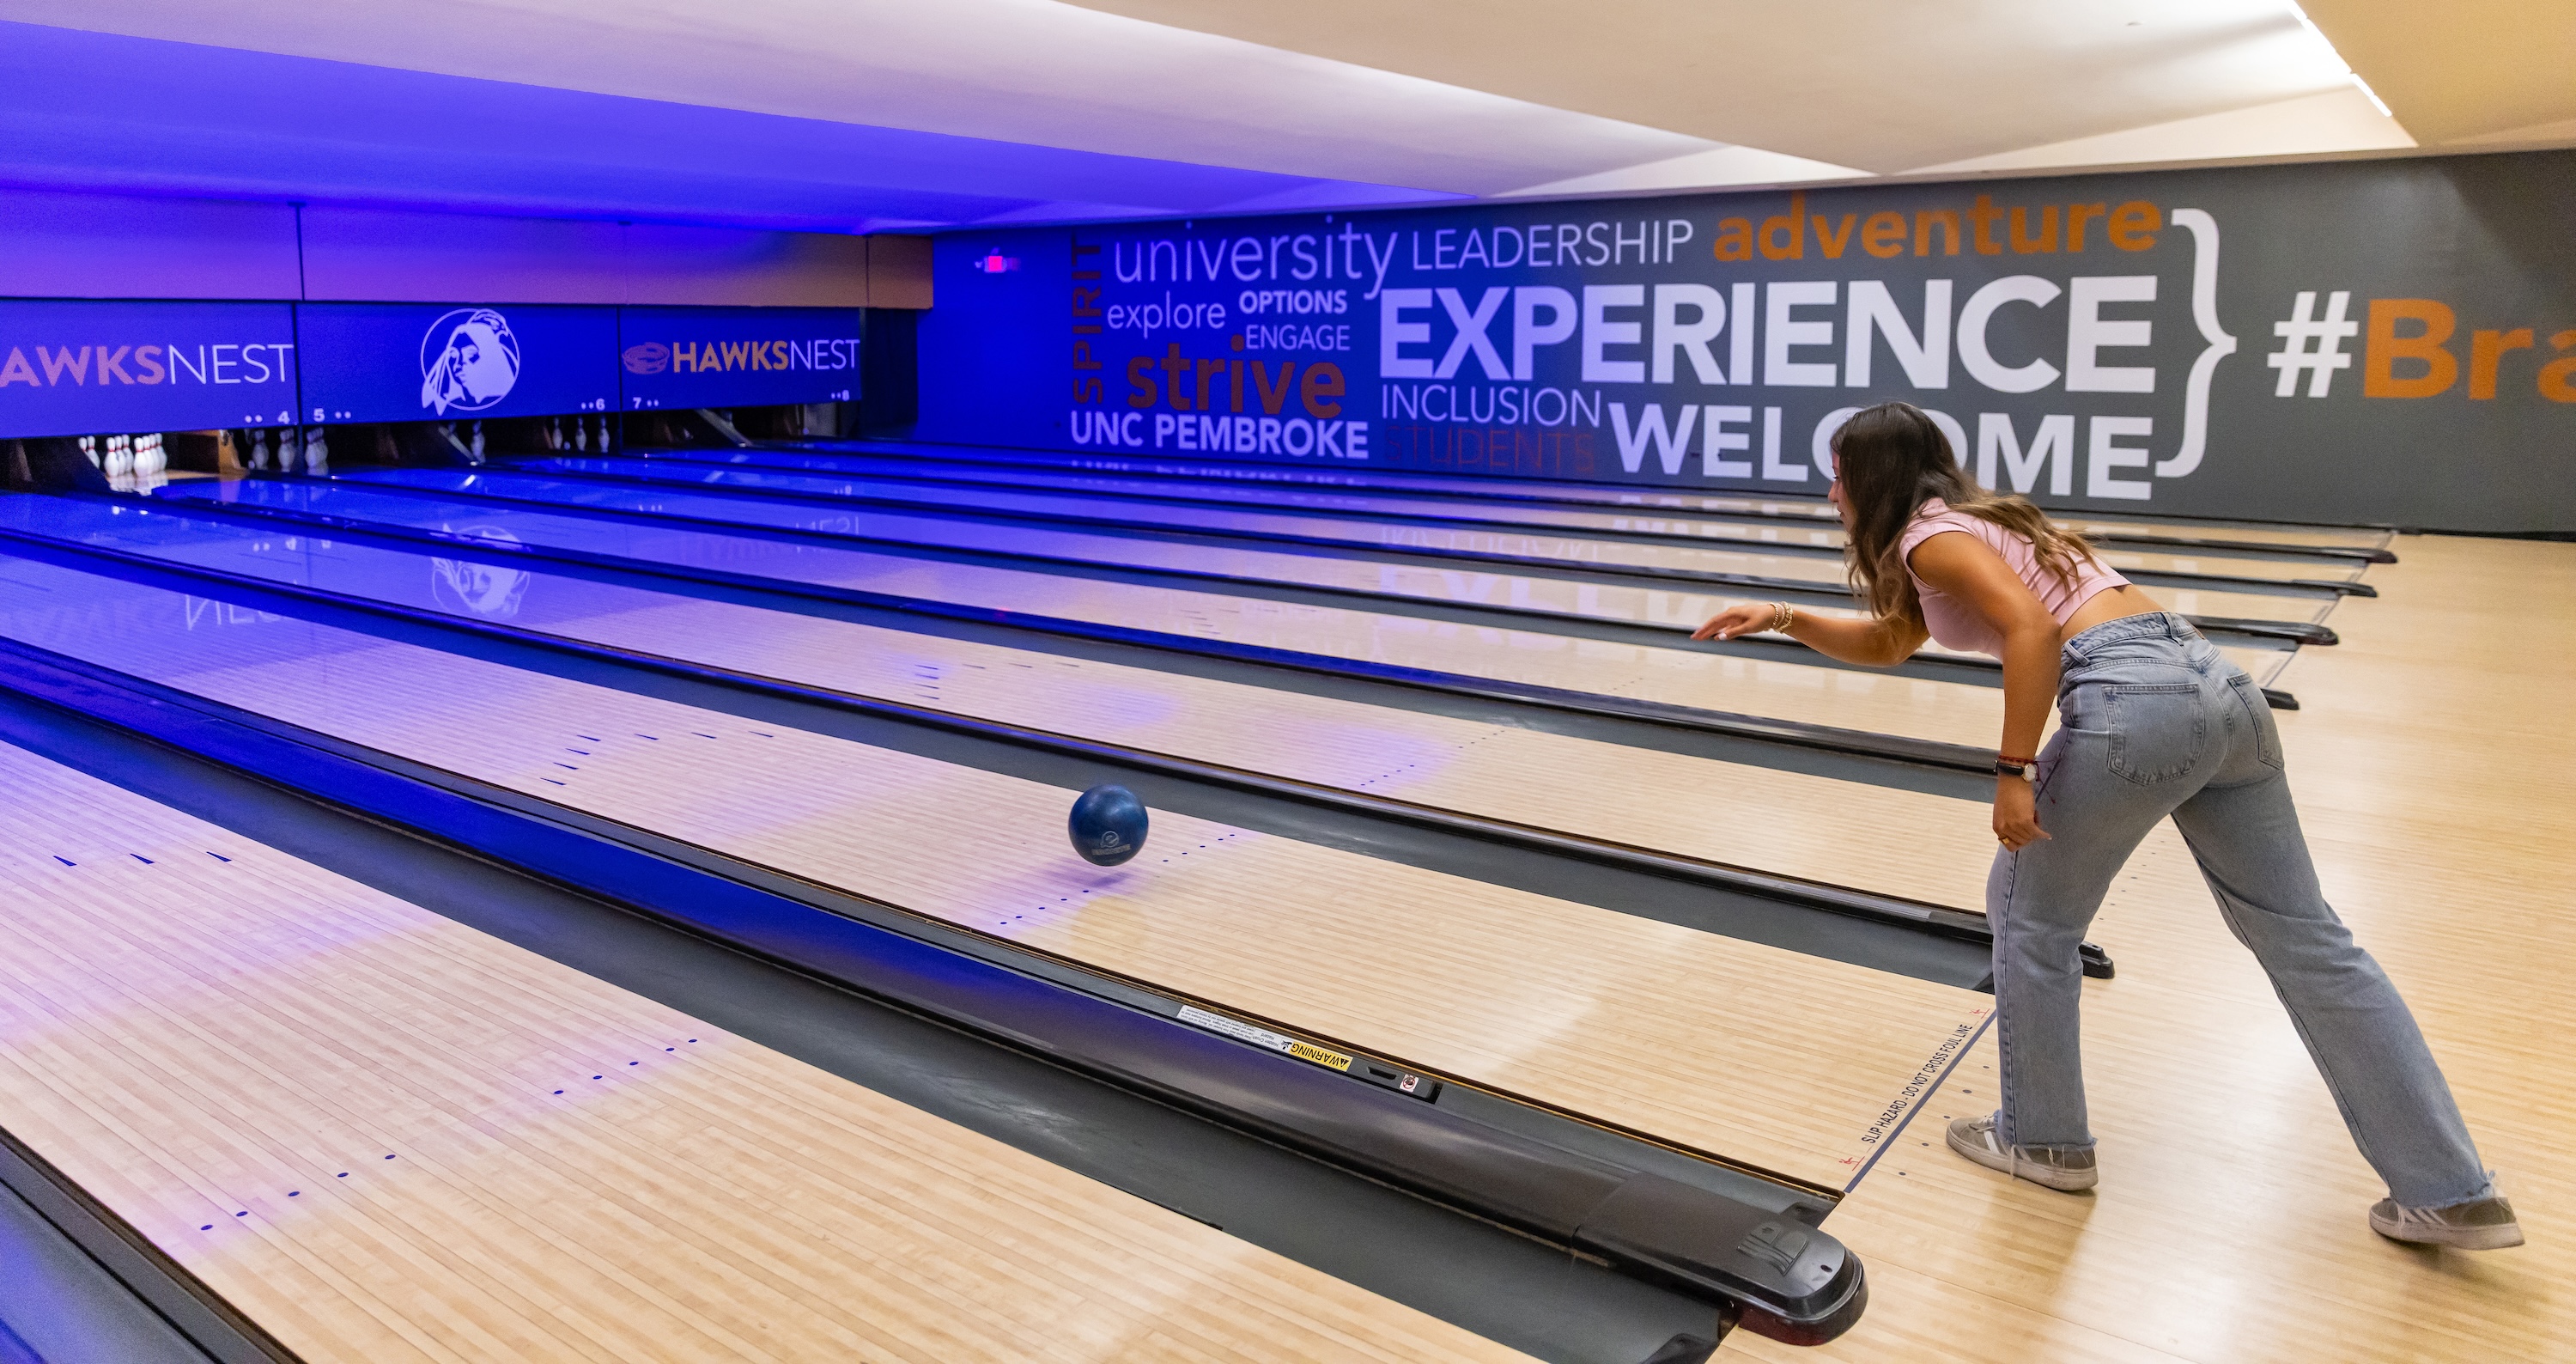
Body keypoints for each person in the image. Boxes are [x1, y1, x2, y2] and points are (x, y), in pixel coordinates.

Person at [1693, 402, 2518, 1251]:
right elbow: (1892, 642)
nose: (1830, 490)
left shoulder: (1927, 539)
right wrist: (1783, 616)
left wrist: (2014, 771)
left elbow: (2033, 628)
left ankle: (2043, 1137)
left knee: (2028, 916)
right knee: (2308, 937)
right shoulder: (1978, 524)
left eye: (1837, 472)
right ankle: (2451, 1188)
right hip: (2217, 688)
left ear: (1873, 478)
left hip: (2132, 699)